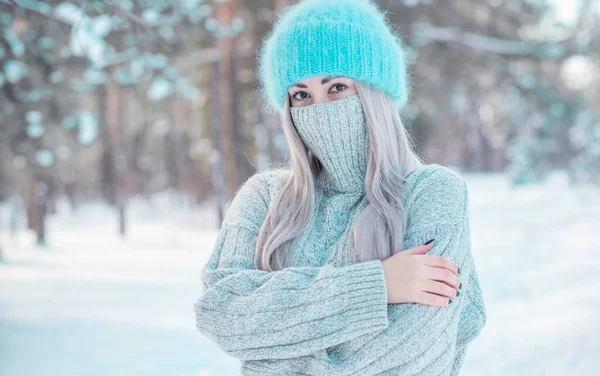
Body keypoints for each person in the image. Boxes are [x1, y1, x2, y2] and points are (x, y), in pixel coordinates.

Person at [194, 0, 487, 375]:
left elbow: (415, 353)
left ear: (375, 94)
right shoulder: (264, 198)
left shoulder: (433, 193)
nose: (318, 107)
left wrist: (273, 349)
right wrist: (376, 286)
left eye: (337, 86)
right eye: (301, 94)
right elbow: (221, 313)